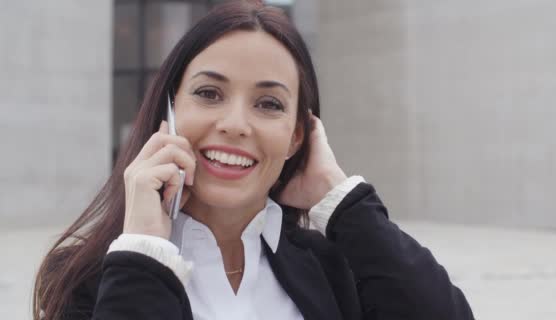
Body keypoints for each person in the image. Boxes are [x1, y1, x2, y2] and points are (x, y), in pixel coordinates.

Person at [33, 1, 474, 319]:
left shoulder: (333, 266)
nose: (236, 124)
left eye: (269, 104)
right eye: (209, 93)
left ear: (297, 135)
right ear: (168, 112)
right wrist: (146, 248)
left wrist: (344, 204)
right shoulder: (92, 275)